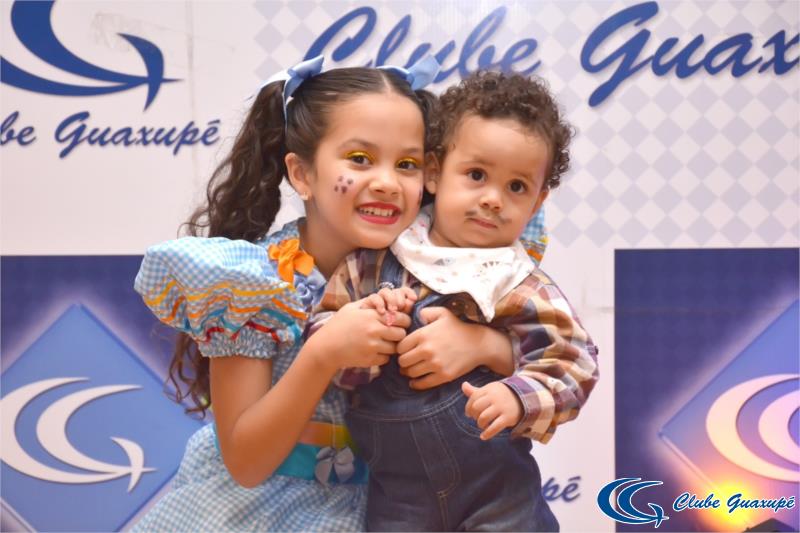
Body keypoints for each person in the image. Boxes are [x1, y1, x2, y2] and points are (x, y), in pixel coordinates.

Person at [130, 57, 540, 532]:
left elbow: (559, 353)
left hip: (392, 511)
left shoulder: (446, 262)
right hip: (257, 514)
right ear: (302, 174)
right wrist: (322, 353)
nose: (386, 182)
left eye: (406, 164)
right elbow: (245, 462)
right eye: (360, 159)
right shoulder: (252, 282)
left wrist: (485, 346)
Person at [313, 70, 600, 531]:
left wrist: (517, 395)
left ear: (537, 201)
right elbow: (323, 339)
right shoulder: (373, 262)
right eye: (476, 175)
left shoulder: (518, 284)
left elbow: (575, 362)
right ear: (433, 172)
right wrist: (361, 340)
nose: (493, 199)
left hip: (499, 493)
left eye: (517, 187)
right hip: (398, 499)